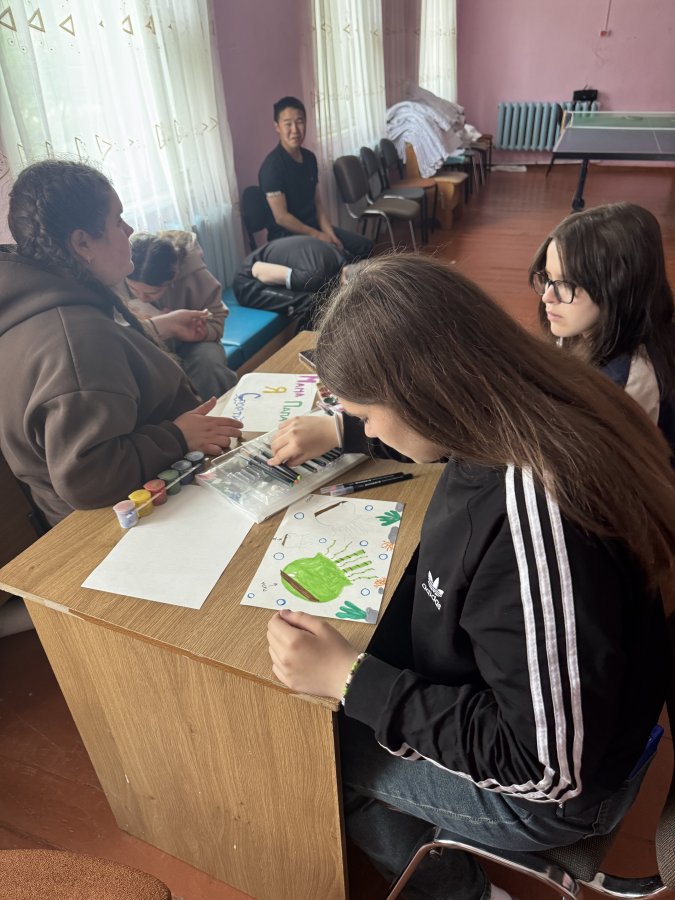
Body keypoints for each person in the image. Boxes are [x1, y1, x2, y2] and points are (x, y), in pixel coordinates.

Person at [266, 255, 675, 900]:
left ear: (423, 398)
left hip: (551, 795)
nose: (369, 429)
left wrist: (349, 679)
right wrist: (347, 429)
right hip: (570, 713)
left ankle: (466, 893)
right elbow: (424, 434)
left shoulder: (537, 516)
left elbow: (546, 767)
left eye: (367, 416)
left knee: (322, 754)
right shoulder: (539, 394)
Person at [0, 159, 242, 526]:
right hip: (118, 526)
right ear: (83, 243)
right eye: (118, 220)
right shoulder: (76, 337)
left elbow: (94, 379)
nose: (129, 229)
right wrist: (177, 437)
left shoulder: (42, 305)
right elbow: (87, 476)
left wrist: (157, 327)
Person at [529, 202, 675, 449]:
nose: (547, 296)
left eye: (566, 283)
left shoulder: (627, 385)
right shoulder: (582, 328)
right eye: (548, 278)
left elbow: (582, 460)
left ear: (618, 288)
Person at [123, 230, 237, 400]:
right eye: (133, 288)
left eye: (151, 293)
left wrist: (201, 332)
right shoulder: (117, 275)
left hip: (194, 344)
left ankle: (223, 409)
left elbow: (216, 319)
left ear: (173, 279)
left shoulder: (194, 274)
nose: (141, 298)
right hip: (147, 349)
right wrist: (160, 324)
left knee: (209, 363)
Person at [259, 96, 373, 261]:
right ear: (277, 127)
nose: (295, 130)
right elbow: (281, 217)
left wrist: (330, 235)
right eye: (288, 124)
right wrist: (318, 236)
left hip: (313, 228)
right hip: (286, 239)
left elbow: (317, 204)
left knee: (365, 247)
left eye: (300, 122)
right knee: (338, 260)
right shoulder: (272, 168)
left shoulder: (309, 158)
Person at [232, 234, 344, 328]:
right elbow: (257, 269)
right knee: (312, 304)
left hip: (270, 271)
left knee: (324, 297)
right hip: (248, 282)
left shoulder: (342, 258)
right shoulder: (313, 276)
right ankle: (304, 346)